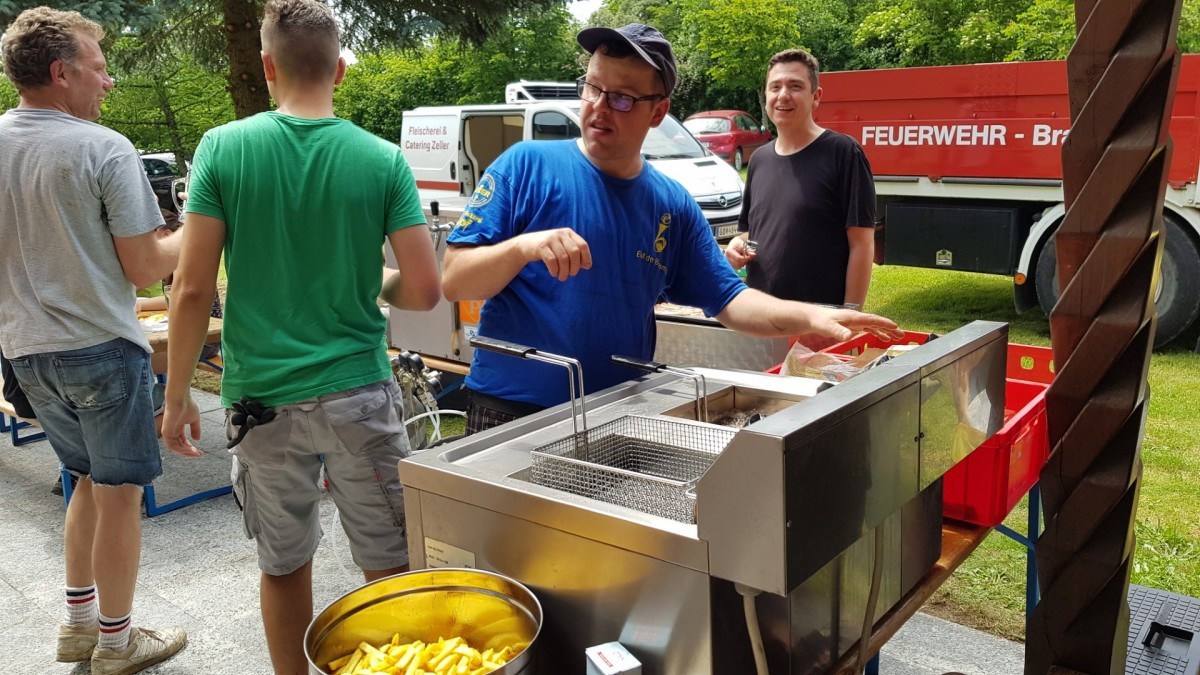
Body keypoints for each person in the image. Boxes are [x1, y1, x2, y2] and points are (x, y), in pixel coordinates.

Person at [441, 24, 904, 434]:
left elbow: (731, 300)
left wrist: (814, 316)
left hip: (615, 415)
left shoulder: (671, 204)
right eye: (593, 88)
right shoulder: (526, 165)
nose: (599, 108)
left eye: (622, 98)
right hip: (509, 411)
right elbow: (455, 279)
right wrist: (523, 247)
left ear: (658, 112)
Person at [160, 1, 440, 672]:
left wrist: (176, 398)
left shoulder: (223, 148)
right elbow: (426, 291)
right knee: (390, 566)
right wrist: (373, 278)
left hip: (261, 401)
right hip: (360, 395)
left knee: (284, 565)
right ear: (339, 70)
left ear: (267, 66)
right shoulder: (382, 158)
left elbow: (191, 288)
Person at [0, 7, 188, 673]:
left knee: (82, 479)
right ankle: (116, 642)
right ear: (61, 72)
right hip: (100, 351)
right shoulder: (102, 147)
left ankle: (78, 627)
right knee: (120, 497)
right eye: (100, 69)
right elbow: (146, 266)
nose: (108, 82)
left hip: (25, 352)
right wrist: (203, 228)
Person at [725, 49, 877, 309]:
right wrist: (736, 244)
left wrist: (850, 315)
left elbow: (861, 244)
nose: (783, 95)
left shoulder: (843, 153)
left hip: (818, 318)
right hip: (761, 314)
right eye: (775, 87)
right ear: (766, 96)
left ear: (816, 97)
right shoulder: (760, 159)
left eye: (795, 86)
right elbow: (755, 231)